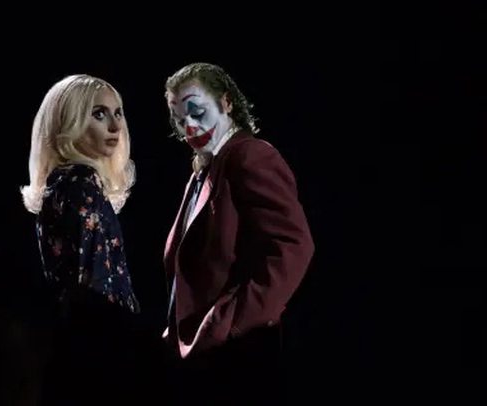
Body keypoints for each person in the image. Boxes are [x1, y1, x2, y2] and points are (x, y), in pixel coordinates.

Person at [162, 63, 315, 404]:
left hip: (237, 360)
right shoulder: (203, 172)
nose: (189, 126)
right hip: (203, 361)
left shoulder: (249, 155)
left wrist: (228, 324)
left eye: (197, 111)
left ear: (226, 103)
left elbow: (293, 246)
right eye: (179, 119)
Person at [20, 74, 144, 404]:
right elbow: (91, 288)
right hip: (101, 357)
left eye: (118, 113)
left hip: (83, 349)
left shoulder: (63, 185)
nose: (115, 126)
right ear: (68, 121)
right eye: (99, 114)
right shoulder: (80, 186)